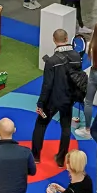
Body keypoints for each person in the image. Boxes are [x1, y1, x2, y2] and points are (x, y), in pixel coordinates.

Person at [33, 29, 79, 166]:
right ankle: (60, 159)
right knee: (66, 128)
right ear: (67, 38)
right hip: (68, 99)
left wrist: (41, 103)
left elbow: (47, 85)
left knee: (40, 125)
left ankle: (35, 156)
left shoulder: (52, 61)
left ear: (54, 40)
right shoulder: (76, 56)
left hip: (52, 101)